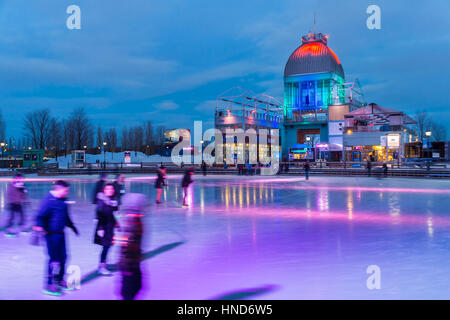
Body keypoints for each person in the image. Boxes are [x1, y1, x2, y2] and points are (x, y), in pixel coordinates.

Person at [34, 180, 79, 296]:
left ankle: (59, 280)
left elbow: (66, 216)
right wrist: (39, 227)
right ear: (58, 189)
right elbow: (40, 216)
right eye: (66, 190)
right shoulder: (48, 200)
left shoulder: (63, 200)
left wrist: (73, 227)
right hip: (51, 235)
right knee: (53, 260)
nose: (67, 192)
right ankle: (48, 285)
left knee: (64, 257)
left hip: (61, 234)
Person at [117, 193, 147, 300]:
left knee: (138, 287)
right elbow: (126, 245)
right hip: (129, 263)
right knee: (131, 290)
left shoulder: (136, 219)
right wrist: (126, 266)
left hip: (134, 261)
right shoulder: (132, 221)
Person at [94, 184, 119, 276]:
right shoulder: (101, 201)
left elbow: (112, 214)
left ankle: (104, 264)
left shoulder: (112, 200)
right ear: (104, 191)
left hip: (110, 226)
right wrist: (100, 228)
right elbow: (98, 215)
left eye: (111, 188)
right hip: (104, 227)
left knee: (108, 246)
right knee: (106, 247)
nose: (110, 190)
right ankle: (102, 267)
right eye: (107, 189)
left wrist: (117, 224)